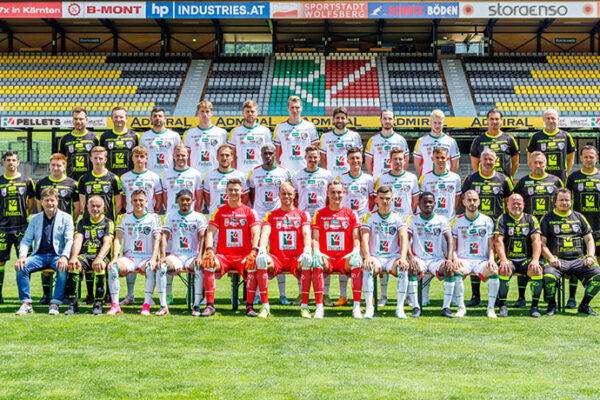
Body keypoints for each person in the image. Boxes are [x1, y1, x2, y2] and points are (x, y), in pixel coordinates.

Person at [200, 179, 261, 317]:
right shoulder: (219, 211)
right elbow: (210, 232)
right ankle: (210, 305)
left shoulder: (250, 212)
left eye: (236, 190)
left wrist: (254, 251)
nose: (233, 193)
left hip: (243, 256)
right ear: (226, 192)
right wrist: (209, 250)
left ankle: (249, 306)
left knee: (253, 265)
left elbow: (256, 233)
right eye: (230, 190)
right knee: (209, 263)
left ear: (241, 191)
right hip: (223, 256)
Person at [512, 151, 561, 307]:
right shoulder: (523, 182)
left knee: (550, 261)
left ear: (546, 164)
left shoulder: (555, 181)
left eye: (541, 162)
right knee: (525, 260)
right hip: (528, 229)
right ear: (530, 164)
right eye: (535, 162)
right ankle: (521, 297)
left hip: (550, 229)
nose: (538, 165)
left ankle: (549, 295)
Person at [540, 188, 600, 316]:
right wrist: (550, 258)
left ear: (571, 201)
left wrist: (590, 256)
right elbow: (541, 243)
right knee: (549, 276)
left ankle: (584, 305)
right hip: (557, 260)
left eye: (567, 200)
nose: (564, 203)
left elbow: (589, 239)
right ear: (555, 202)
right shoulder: (547, 217)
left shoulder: (579, 217)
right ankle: (551, 305)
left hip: (579, 260)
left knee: (598, 276)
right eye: (561, 200)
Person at [256, 183, 312, 318]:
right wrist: (262, 249)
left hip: (295, 258)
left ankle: (304, 307)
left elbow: (306, 233)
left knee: (306, 262)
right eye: (284, 194)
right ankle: (265, 306)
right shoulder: (270, 215)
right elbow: (265, 233)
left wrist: (307, 250)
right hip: (277, 258)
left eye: (289, 194)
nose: (287, 196)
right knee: (262, 262)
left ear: (294, 195)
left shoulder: (303, 214)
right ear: (279, 195)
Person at [14, 188, 74, 315]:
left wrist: (64, 256)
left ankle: (55, 304)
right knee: (21, 267)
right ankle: (26, 304)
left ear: (57, 201)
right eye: (46, 200)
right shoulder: (35, 219)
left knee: (62, 267)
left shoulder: (67, 218)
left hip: (57, 256)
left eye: (52, 200)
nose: (49, 203)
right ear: (41, 202)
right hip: (39, 256)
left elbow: (69, 240)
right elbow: (26, 240)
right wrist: (22, 256)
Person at [373, 148, 419, 306]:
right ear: (390, 161)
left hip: (405, 223)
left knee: (407, 258)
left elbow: (415, 199)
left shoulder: (412, 178)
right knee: (384, 254)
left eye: (401, 159)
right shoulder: (383, 178)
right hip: (388, 221)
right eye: (395, 159)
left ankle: (408, 296)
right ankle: (384, 296)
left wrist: (407, 216)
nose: (398, 162)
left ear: (405, 160)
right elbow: (378, 198)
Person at [247, 143, 292, 305]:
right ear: (261, 155)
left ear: (276, 154)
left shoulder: (284, 172)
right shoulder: (254, 172)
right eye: (265, 153)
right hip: (259, 220)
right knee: (258, 255)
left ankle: (283, 295)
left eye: (271, 153)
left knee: (279, 255)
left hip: (277, 219)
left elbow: (288, 194)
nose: (268, 156)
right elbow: (252, 194)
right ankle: (257, 294)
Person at [311, 181, 363, 319]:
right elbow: (315, 238)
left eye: (339, 192)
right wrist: (316, 251)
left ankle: (356, 307)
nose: (336, 195)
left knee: (356, 263)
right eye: (333, 192)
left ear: (344, 193)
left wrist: (356, 250)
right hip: (326, 258)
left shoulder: (351, 214)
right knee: (317, 263)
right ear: (327, 194)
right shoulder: (319, 214)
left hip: (344, 258)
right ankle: (319, 307)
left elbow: (356, 237)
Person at [106, 190, 163, 316]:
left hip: (146, 257)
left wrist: (153, 258)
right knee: (113, 268)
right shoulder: (124, 217)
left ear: (146, 201)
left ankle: (146, 304)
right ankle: (115, 305)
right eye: (135, 200)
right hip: (130, 258)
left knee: (150, 269)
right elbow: (118, 238)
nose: (138, 203)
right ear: (130, 202)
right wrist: (115, 258)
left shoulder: (154, 217)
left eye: (141, 200)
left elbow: (157, 238)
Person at [35, 153, 80, 305]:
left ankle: (66, 293)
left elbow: (77, 207)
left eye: (59, 165)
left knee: (65, 259)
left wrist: (69, 223)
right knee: (45, 257)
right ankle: (46, 295)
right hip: (46, 228)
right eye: (53, 165)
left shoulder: (72, 184)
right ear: (49, 166)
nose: (56, 168)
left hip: (65, 229)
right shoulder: (41, 183)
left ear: (64, 166)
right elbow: (38, 205)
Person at [291, 145, 333, 305]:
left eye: (315, 157)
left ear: (319, 158)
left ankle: (325, 294)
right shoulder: (297, 176)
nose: (313, 160)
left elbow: (329, 198)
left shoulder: (326, 175)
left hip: (322, 220)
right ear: (305, 158)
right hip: (303, 222)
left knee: (324, 255)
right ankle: (301, 293)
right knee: (304, 256)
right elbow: (295, 199)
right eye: (310, 157)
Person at [361, 186, 409, 319]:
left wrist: (403, 258)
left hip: (392, 258)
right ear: (376, 200)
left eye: (388, 198)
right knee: (367, 268)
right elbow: (364, 238)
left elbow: (404, 238)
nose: (385, 201)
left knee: (403, 268)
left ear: (392, 200)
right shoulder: (369, 217)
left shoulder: (399, 217)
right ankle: (369, 308)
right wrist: (367, 257)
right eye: (381, 198)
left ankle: (399, 308)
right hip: (375, 257)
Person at [336, 147, 375, 307]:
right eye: (352, 158)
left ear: (362, 159)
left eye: (358, 158)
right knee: (345, 256)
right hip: (346, 224)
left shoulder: (369, 179)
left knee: (366, 257)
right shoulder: (341, 179)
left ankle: (369, 295)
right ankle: (343, 295)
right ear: (347, 160)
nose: (355, 161)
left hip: (363, 224)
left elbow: (372, 201)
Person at [406, 192, 455, 318]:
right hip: (419, 258)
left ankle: (446, 308)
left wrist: (449, 259)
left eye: (430, 202)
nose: (428, 204)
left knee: (449, 270)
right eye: (425, 202)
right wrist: (411, 258)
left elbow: (450, 239)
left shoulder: (442, 219)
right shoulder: (412, 219)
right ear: (419, 204)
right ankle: (415, 307)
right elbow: (405, 239)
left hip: (436, 259)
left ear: (434, 204)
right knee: (412, 268)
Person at [451, 190, 499, 318]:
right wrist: (455, 259)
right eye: (469, 200)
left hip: (481, 260)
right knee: (457, 270)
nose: (472, 203)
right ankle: (461, 307)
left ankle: (491, 309)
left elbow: (491, 245)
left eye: (474, 200)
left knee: (494, 271)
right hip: (463, 260)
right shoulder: (457, 221)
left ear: (479, 202)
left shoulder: (486, 220)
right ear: (464, 202)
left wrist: (491, 259)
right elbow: (452, 246)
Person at [494, 194, 544, 318]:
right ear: (507, 205)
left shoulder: (531, 219)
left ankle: (534, 306)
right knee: (504, 269)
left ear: (523, 205)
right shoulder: (503, 218)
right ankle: (503, 305)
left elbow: (537, 241)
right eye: (513, 203)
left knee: (536, 270)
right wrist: (503, 260)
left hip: (526, 260)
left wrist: (535, 260)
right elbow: (498, 240)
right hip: (509, 259)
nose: (516, 206)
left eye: (519, 203)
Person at [161, 189, 207, 316]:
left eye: (187, 200)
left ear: (193, 200)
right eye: (182, 200)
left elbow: (202, 237)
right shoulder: (171, 217)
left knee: (198, 266)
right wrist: (163, 256)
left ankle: (196, 305)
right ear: (177, 201)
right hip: (176, 256)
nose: (185, 202)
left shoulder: (199, 217)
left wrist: (199, 256)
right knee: (162, 266)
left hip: (192, 256)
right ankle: (163, 306)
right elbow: (164, 236)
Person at [66, 196, 115, 315]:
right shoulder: (82, 222)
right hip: (85, 256)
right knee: (74, 265)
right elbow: (78, 239)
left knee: (100, 266)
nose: (95, 209)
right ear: (87, 207)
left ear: (103, 208)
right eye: (92, 206)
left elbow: (108, 242)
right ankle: (73, 304)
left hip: (101, 256)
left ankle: (98, 303)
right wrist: (74, 257)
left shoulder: (108, 222)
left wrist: (99, 258)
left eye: (98, 206)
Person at [566, 145, 600, 309]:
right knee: (575, 261)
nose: (588, 159)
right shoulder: (573, 177)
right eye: (585, 156)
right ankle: (571, 298)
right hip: (578, 228)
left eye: (591, 157)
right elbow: (566, 202)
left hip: (599, 226)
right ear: (580, 158)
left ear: (596, 158)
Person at [0, 151, 35, 304]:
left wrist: (24, 216)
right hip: (2, 228)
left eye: (13, 160)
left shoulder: (27, 181)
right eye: (8, 160)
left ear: (18, 162)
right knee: (0, 262)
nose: (11, 163)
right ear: (3, 163)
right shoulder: (0, 181)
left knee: (25, 261)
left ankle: (26, 295)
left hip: (22, 228)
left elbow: (31, 203)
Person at [462, 149, 513, 222]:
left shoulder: (504, 180)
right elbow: (463, 201)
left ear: (495, 161)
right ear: (480, 161)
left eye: (490, 159)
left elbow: (509, 205)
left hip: (496, 224)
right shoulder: (470, 179)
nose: (488, 162)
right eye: (485, 159)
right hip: (475, 223)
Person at [273, 96, 319, 174]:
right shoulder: (280, 127)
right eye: (292, 107)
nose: (295, 110)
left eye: (297, 107)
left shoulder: (310, 126)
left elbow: (315, 150)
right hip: (285, 170)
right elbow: (276, 151)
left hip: (305, 170)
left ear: (301, 108)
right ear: (288, 108)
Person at [527, 108, 575, 184]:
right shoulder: (536, 137)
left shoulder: (566, 136)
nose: (551, 121)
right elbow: (530, 160)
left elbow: (570, 160)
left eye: (553, 118)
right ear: (543, 119)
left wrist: (565, 172)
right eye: (548, 118)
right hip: (541, 180)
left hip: (561, 179)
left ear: (558, 119)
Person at [183, 100, 228, 179]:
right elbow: (187, 156)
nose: (205, 114)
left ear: (212, 113)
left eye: (207, 111)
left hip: (216, 175)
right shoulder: (189, 133)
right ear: (198, 113)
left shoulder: (221, 133)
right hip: (195, 175)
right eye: (202, 111)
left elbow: (226, 155)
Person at [470, 108, 519, 179]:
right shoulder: (478, 140)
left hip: (504, 182)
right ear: (487, 120)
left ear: (501, 120)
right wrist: (481, 178)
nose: (494, 121)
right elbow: (474, 164)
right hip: (486, 182)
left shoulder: (509, 139)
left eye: (497, 119)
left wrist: (508, 179)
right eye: (491, 119)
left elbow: (515, 163)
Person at [78, 146, 123, 223]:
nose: (98, 161)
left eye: (100, 158)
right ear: (91, 159)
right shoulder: (83, 179)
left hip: (108, 221)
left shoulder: (113, 178)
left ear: (105, 160)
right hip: (89, 222)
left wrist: (112, 218)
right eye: (95, 158)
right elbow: (82, 204)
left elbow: (118, 203)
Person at [228, 100, 272, 176]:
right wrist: (234, 172)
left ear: (257, 113)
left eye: (252, 111)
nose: (250, 114)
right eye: (247, 111)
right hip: (241, 173)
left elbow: (270, 154)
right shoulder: (235, 131)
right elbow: (232, 155)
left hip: (260, 173)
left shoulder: (265, 131)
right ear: (243, 112)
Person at [203, 145, 249, 217]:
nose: (224, 158)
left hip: (234, 216)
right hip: (215, 216)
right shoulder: (209, 176)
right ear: (217, 157)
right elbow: (207, 198)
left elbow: (245, 198)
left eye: (227, 155)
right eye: (222, 155)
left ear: (232, 157)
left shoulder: (240, 176)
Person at [419, 147, 462, 221]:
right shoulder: (425, 178)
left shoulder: (455, 178)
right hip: (431, 220)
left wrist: (452, 213)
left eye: (442, 157)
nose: (440, 160)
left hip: (449, 219)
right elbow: (420, 200)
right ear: (432, 159)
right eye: (437, 157)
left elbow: (457, 199)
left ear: (447, 159)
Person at [365, 109, 410, 179]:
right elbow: (368, 162)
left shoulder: (401, 140)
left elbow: (406, 161)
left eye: (390, 119)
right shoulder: (373, 140)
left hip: (395, 179)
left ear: (394, 120)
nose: (387, 121)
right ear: (381, 120)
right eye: (385, 119)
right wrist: (375, 176)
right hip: (378, 180)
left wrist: (398, 174)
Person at [413, 109, 460, 177]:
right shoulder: (421, 141)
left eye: (440, 123)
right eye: (435, 123)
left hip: (445, 180)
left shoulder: (451, 141)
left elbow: (455, 164)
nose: (437, 126)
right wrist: (426, 176)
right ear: (430, 122)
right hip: (427, 180)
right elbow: (417, 164)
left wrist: (447, 177)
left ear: (443, 122)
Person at [319, 107, 362, 178]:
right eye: (337, 118)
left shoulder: (355, 136)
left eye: (342, 118)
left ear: (347, 120)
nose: (340, 120)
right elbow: (323, 159)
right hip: (332, 177)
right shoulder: (325, 137)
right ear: (333, 119)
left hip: (350, 177)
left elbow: (359, 157)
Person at [58, 107, 98, 182]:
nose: (78, 121)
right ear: (72, 120)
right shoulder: (65, 139)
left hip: (90, 181)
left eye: (81, 119)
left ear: (86, 120)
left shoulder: (95, 138)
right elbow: (60, 161)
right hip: (71, 181)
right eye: (75, 119)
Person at [161, 144, 203, 214]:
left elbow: (199, 199)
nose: (180, 158)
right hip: (172, 214)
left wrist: (195, 214)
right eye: (177, 155)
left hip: (189, 214)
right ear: (173, 156)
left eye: (183, 155)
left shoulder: (196, 174)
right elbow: (165, 197)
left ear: (187, 156)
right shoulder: (166, 175)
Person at [121, 146, 163, 214]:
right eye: (136, 156)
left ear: (146, 158)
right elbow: (123, 199)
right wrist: (130, 212)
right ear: (132, 158)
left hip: (148, 215)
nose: (139, 159)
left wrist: (153, 214)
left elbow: (159, 200)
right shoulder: (124, 177)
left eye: (142, 156)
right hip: (131, 216)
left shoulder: (154, 177)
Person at [99, 106, 140, 177]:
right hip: (110, 177)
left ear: (126, 118)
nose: (118, 119)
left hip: (130, 176)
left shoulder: (135, 136)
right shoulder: (104, 136)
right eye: (116, 117)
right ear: (111, 118)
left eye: (121, 117)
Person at [140, 107, 182, 173]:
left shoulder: (174, 136)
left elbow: (180, 155)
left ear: (165, 119)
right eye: (155, 116)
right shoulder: (144, 136)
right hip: (151, 175)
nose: (157, 118)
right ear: (151, 119)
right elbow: (141, 157)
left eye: (160, 116)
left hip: (169, 174)